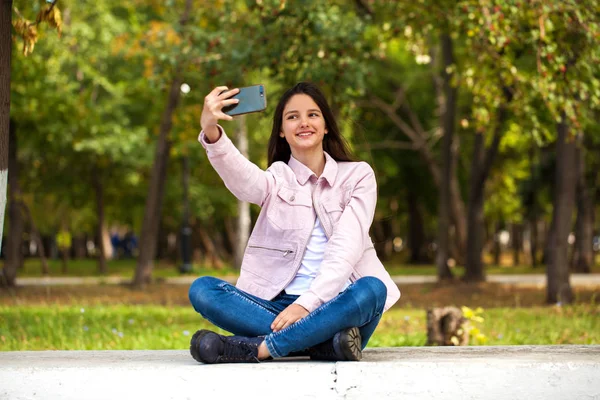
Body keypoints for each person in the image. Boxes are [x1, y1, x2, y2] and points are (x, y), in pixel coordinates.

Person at [188, 82, 401, 364]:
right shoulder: (276, 178)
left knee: (373, 289)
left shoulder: (358, 176)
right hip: (276, 309)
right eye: (292, 116)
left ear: (326, 126)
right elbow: (244, 179)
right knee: (202, 290)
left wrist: (307, 304)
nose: (303, 122)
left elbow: (346, 248)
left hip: (337, 305)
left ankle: (259, 349)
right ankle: (324, 345)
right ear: (281, 130)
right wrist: (212, 132)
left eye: (313, 115)